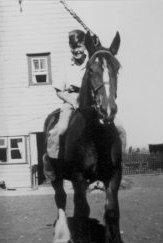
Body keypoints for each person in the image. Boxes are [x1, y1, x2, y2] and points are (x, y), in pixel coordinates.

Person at [43, 29, 126, 180]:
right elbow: (59, 91)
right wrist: (72, 100)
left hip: (93, 100)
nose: (77, 50)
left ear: (85, 47)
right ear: (70, 48)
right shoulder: (66, 66)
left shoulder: (94, 61)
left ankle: (117, 162)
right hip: (72, 99)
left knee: (120, 129)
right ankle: (51, 163)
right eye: (73, 47)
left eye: (80, 46)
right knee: (58, 130)